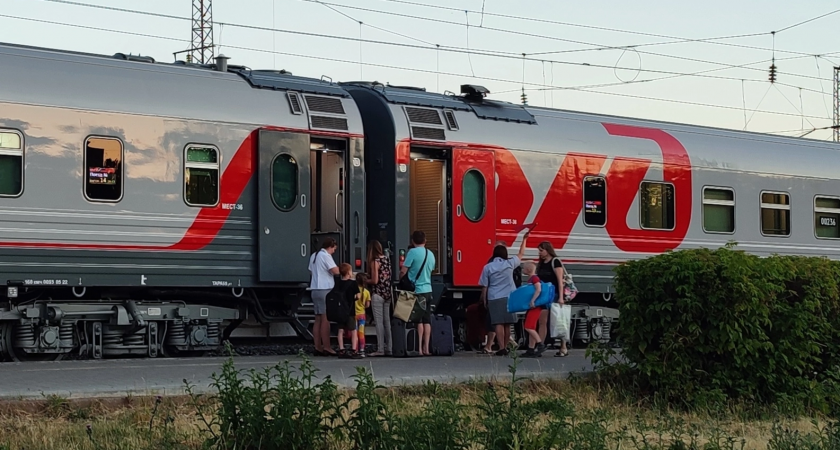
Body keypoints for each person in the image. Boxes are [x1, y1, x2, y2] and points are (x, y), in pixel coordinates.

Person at [478, 230, 530, 356]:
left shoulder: (488, 267)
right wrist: (524, 239)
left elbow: (485, 286)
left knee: (498, 323)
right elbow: (521, 253)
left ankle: (500, 347)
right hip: (509, 297)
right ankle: (506, 347)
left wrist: (483, 299)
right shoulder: (510, 263)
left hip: (494, 297)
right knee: (507, 324)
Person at [400, 230, 436, 356]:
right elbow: (431, 270)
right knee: (427, 320)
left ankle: (419, 349)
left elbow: (404, 270)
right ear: (425, 240)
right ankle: (427, 348)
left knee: (418, 320)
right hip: (428, 290)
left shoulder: (412, 252)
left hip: (417, 291)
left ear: (413, 241)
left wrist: (402, 278)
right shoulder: (430, 254)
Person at [536, 241, 569, 357]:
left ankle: (563, 346)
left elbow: (560, 282)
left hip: (554, 295)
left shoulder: (555, 262)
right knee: (542, 321)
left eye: (541, 250)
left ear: (547, 250)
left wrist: (561, 297)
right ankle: (541, 344)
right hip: (544, 296)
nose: (540, 253)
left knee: (559, 321)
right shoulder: (541, 264)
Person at [309, 238, 340, 356]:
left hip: (315, 289)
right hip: (325, 289)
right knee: (325, 320)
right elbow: (335, 271)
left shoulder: (314, 255)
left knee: (317, 319)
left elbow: (311, 271)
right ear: (331, 246)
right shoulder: (325, 256)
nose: (334, 252)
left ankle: (317, 346)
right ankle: (327, 347)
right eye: (334, 249)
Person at [366, 240, 393, 356]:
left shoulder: (375, 261)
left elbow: (375, 280)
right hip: (388, 293)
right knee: (387, 322)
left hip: (378, 293)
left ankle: (380, 349)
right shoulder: (386, 259)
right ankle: (390, 347)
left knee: (379, 322)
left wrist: (364, 280)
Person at [520, 261, 547, 357]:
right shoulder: (532, 278)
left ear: (528, 270)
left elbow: (538, 289)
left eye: (523, 268)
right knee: (531, 327)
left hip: (534, 307)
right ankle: (531, 349)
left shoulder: (534, 278)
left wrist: (533, 301)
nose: (522, 270)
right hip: (534, 307)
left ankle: (540, 344)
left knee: (528, 327)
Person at [335, 263, 361, 359]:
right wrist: (354, 298)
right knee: (353, 330)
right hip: (350, 310)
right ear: (349, 272)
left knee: (340, 330)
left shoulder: (338, 283)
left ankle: (341, 350)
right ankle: (354, 350)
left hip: (340, 310)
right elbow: (358, 296)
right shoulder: (353, 283)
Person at [355, 273, 372, 358]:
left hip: (354, 314)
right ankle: (362, 350)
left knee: (355, 333)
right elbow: (367, 305)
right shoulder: (367, 292)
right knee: (361, 333)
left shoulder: (354, 290)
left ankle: (355, 349)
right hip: (362, 315)